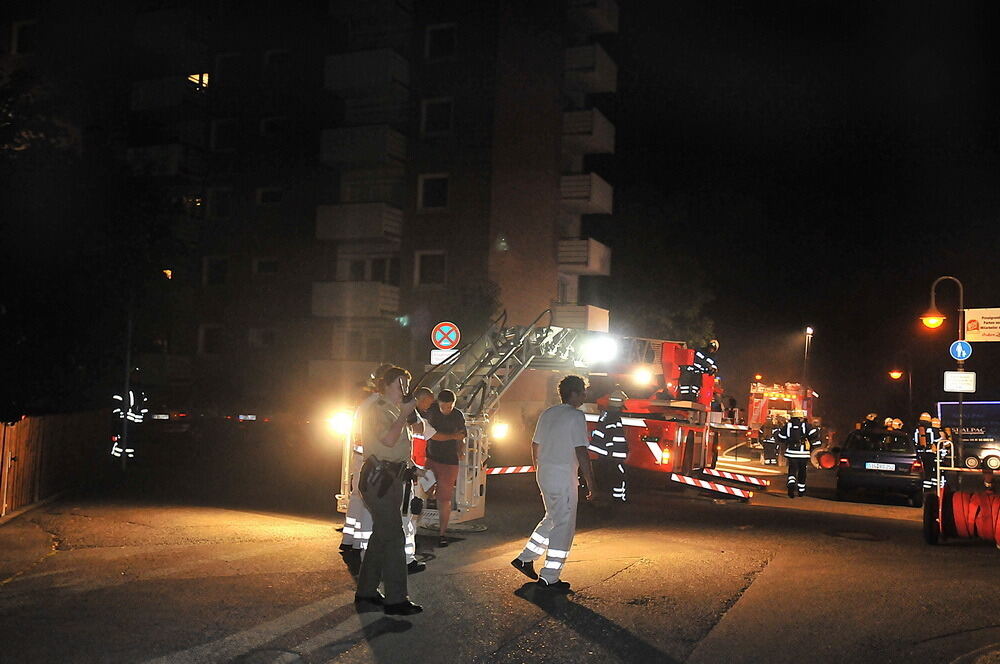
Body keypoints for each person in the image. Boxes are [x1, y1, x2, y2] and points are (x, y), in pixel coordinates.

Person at [511, 375, 596, 590]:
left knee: (552, 517)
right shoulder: (576, 416)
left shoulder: (548, 413)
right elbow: (581, 451)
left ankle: (526, 558)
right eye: (583, 392)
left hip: (545, 474)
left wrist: (539, 469)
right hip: (562, 477)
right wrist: (591, 483)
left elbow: (534, 445)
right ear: (574, 393)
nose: (585, 395)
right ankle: (550, 577)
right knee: (564, 525)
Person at [354, 366, 423, 615]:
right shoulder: (378, 409)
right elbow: (388, 441)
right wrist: (405, 413)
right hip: (379, 480)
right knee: (394, 536)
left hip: (391, 479)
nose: (405, 390)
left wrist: (410, 466)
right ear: (385, 386)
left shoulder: (393, 410)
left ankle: (366, 592)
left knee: (382, 536)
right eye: (400, 385)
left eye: (407, 385)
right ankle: (396, 599)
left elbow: (400, 444)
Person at [341, 363, 393, 557]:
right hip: (373, 460)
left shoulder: (365, 403)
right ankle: (364, 548)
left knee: (357, 498)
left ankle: (351, 541)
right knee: (369, 504)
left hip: (362, 458)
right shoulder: (378, 406)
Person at [425, 389, 467, 547]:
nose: (447, 410)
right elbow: (434, 435)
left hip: (449, 461)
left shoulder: (457, 415)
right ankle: (430, 497)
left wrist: (460, 446)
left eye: (449, 407)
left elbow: (462, 434)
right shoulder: (432, 412)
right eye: (444, 407)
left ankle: (442, 533)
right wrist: (453, 437)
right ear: (439, 403)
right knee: (423, 489)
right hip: (431, 458)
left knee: (445, 499)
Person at [588, 387, 629, 502]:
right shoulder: (613, 417)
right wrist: (611, 453)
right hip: (612, 457)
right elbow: (610, 436)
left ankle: (607, 500)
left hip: (605, 456)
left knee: (606, 478)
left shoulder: (606, 415)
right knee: (617, 478)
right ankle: (616, 501)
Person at [776, 409, 821, 498]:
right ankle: (801, 490)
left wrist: (787, 440)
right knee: (802, 471)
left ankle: (791, 484)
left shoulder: (788, 425)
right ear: (801, 417)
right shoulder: (805, 425)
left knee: (792, 470)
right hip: (803, 453)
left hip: (791, 452)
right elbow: (813, 435)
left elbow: (781, 437)